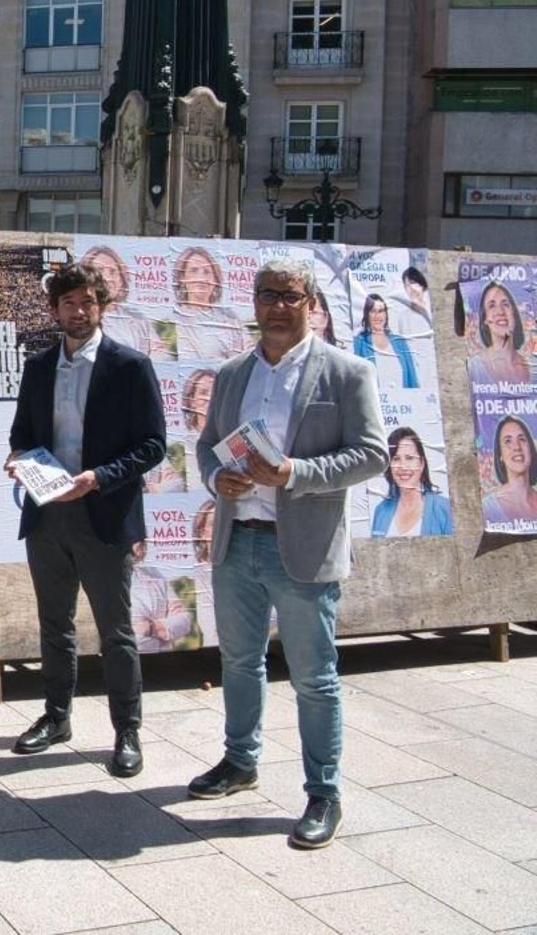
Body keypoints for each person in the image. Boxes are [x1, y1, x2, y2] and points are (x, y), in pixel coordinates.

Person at [193, 258, 386, 850]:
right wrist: (215, 479)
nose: (277, 305)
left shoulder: (347, 372)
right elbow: (206, 447)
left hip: (301, 551)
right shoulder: (230, 373)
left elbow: (374, 455)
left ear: (311, 304)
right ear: (253, 302)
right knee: (238, 664)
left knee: (314, 679)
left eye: (290, 296)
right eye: (267, 294)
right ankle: (240, 761)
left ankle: (323, 792)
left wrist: (293, 472)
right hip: (237, 541)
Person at [5, 263, 166, 777]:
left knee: (115, 631)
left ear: (102, 306)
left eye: (88, 302)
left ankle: (127, 731)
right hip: (47, 515)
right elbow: (23, 433)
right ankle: (57, 717)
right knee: (54, 624)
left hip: (103, 514)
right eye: (69, 303)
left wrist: (98, 477)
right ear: (54, 310)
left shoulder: (130, 366)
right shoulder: (37, 366)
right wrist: (19, 459)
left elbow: (154, 446)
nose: (79, 311)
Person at [81, 245, 165, 357]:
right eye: (100, 271)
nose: (107, 278)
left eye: (113, 272)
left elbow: (161, 356)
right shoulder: (80, 317)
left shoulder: (137, 318)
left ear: (121, 280)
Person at [171, 246, 249, 361]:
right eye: (194, 271)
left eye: (207, 272)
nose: (201, 278)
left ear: (215, 280)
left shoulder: (229, 317)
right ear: (182, 278)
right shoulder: (174, 318)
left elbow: (249, 352)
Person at [370, 427, 452, 537]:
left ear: (421, 463)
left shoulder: (445, 508)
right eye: (396, 458)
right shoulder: (381, 511)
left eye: (409, 458)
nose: (403, 466)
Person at [467, 281, 531, 386]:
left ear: (514, 314)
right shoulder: (475, 367)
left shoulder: (532, 366)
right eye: (492, 306)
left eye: (505, 304)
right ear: (485, 319)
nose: (500, 312)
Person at [352, 294, 420, 389]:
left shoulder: (400, 343)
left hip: (403, 402)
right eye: (373, 311)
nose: (377, 316)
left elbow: (412, 379)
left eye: (380, 311)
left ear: (386, 314)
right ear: (367, 314)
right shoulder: (359, 343)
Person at [482, 416, 537, 526]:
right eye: (508, 441)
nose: (517, 447)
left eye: (521, 439)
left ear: (530, 449)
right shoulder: (487, 507)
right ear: (500, 455)